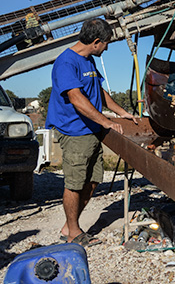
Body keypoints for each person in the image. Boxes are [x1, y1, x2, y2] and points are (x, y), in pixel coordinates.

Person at [45, 18, 137, 247]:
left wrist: (121, 112)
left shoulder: (87, 61)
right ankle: (74, 233)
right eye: (106, 43)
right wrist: (105, 121)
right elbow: (76, 99)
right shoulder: (66, 62)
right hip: (75, 130)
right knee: (75, 182)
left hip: (91, 129)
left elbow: (99, 91)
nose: (106, 47)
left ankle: (69, 224)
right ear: (96, 42)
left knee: (94, 179)